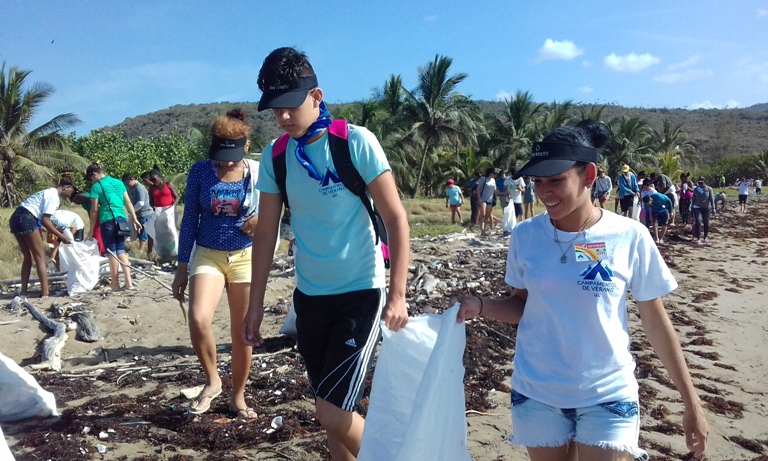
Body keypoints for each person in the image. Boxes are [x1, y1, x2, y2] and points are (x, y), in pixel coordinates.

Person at [454, 119, 708, 461]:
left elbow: (657, 324)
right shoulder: (525, 236)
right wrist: (481, 306)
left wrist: (691, 401)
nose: (544, 193)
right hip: (537, 393)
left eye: (556, 180)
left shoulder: (629, 236)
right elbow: (521, 305)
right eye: (538, 182)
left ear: (589, 176)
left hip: (608, 395)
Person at [243, 47, 409, 461]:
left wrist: (399, 294)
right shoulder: (276, 157)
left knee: (330, 413)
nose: (282, 118)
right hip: (310, 300)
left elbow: (396, 218)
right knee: (336, 415)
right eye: (274, 110)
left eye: (289, 106)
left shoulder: (355, 142)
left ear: (316, 96)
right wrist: (255, 305)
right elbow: (265, 235)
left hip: (360, 293)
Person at [171, 109, 261, 420]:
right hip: (207, 253)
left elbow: (283, 212)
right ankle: (212, 381)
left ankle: (238, 396)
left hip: (246, 257)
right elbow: (189, 222)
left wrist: (261, 221)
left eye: (233, 155)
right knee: (198, 319)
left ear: (246, 145)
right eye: (222, 155)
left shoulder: (259, 173)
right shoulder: (199, 172)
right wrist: (182, 269)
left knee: (243, 333)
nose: (227, 162)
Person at [9, 179, 77, 298]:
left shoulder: (46, 192)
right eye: (72, 191)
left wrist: (41, 228)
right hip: (27, 219)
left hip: (15, 218)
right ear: (66, 187)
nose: (70, 194)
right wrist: (62, 236)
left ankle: (24, 292)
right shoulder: (54, 196)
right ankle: (46, 293)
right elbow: (45, 220)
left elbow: (39, 216)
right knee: (40, 257)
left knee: (28, 257)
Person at [85, 162, 142, 290]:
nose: (91, 181)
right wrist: (134, 219)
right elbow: (127, 202)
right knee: (121, 250)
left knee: (111, 251)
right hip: (121, 220)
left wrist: (90, 231)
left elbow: (94, 210)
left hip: (107, 220)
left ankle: (115, 283)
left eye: (90, 178)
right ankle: (128, 283)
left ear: (94, 174)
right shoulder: (119, 183)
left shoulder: (96, 187)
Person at [122, 173, 153, 254]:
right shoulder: (131, 188)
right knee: (137, 232)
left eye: (127, 183)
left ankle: (141, 251)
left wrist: (132, 211)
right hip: (137, 213)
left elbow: (141, 203)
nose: (127, 185)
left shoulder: (140, 188)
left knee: (143, 232)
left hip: (145, 213)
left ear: (132, 179)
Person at [692, 177, 715, 245]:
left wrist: (713, 208)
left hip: (706, 207)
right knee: (698, 221)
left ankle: (705, 237)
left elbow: (711, 198)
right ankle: (699, 238)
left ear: (704, 182)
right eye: (699, 183)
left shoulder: (709, 189)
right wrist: (691, 210)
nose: (700, 184)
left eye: (701, 183)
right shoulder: (696, 189)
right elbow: (693, 199)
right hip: (697, 207)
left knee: (706, 222)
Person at [476, 167, 498, 237]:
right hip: (483, 199)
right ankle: (482, 231)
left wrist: (504, 193)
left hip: (490, 200)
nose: (495, 175)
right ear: (490, 173)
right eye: (494, 173)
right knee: (483, 215)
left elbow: (495, 190)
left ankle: (484, 230)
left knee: (487, 216)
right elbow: (477, 189)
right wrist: (479, 198)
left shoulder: (493, 180)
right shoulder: (483, 179)